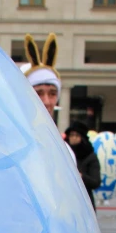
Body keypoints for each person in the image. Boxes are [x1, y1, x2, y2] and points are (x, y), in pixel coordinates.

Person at [20, 33, 77, 164]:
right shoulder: (10, 144)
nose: (46, 102)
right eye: (38, 93)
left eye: (52, 93)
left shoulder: (65, 152)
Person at [65, 120, 101, 211]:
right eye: (71, 135)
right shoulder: (64, 153)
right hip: (66, 202)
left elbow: (96, 182)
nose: (73, 138)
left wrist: (81, 176)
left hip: (84, 204)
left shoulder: (90, 156)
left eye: (76, 135)